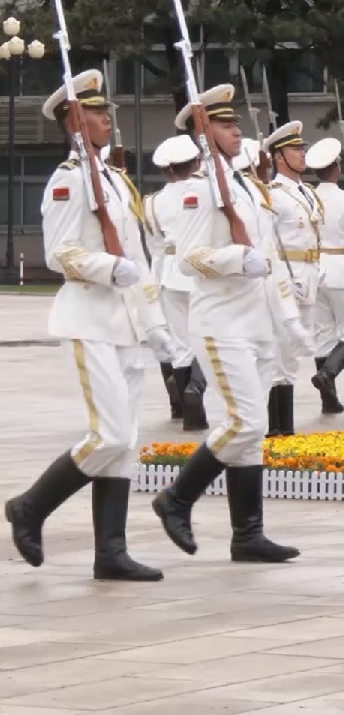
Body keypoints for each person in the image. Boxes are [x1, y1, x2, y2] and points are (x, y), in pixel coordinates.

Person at [6, 69, 177, 582]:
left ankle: (111, 552)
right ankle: (30, 507)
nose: (108, 119)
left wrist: (156, 325)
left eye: (108, 112)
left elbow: (139, 261)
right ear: (73, 121)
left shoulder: (115, 180)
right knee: (106, 435)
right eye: (98, 112)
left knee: (124, 442)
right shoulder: (68, 179)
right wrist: (107, 267)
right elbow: (61, 255)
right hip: (89, 317)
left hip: (124, 322)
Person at [151, 83, 303, 565]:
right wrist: (238, 258)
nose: (237, 131)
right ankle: (176, 498)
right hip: (221, 323)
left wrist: (290, 321)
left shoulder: (244, 187)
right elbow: (191, 260)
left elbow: (271, 261)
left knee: (251, 433)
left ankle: (248, 535)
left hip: (256, 322)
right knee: (245, 421)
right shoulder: (198, 189)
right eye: (225, 124)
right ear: (203, 131)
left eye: (236, 123)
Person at [262, 122, 322, 437]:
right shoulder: (273, 195)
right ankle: (277, 427)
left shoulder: (306, 192)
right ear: (279, 157)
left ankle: (286, 425)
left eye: (302, 148)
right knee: (280, 352)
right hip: (286, 279)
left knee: (294, 355)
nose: (302, 154)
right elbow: (269, 243)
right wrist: (283, 278)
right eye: (296, 149)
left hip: (309, 276)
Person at [145, 134, 209, 431]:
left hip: (170, 271)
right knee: (211, 335)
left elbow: (154, 246)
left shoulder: (152, 203)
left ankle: (186, 410)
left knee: (181, 344)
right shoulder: (206, 191)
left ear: (166, 169)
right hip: (202, 267)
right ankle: (195, 388)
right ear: (196, 162)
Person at [305, 137, 344, 416]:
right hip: (342, 268)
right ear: (337, 168)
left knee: (322, 336)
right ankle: (329, 373)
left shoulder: (306, 198)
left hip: (315, 269)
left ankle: (329, 400)